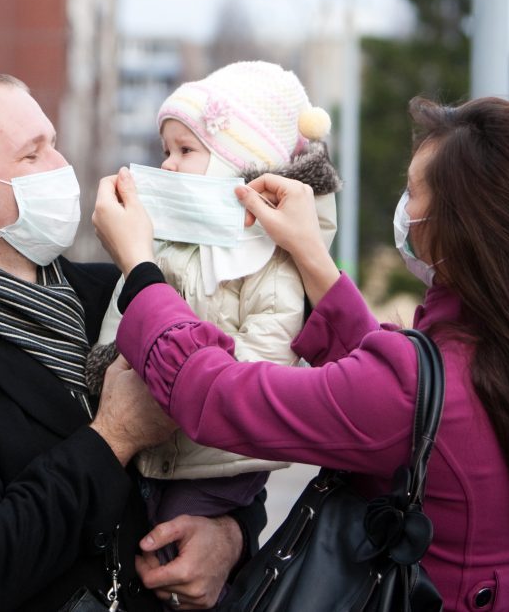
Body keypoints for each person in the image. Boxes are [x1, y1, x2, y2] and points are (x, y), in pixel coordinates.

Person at [92, 96, 509, 611]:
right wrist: (308, 252)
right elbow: (407, 403)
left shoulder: (416, 390)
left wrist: (141, 272)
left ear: (461, 228)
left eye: (414, 192)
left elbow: (216, 395)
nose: (405, 207)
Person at [0, 73, 266, 612]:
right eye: (32, 153)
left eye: (54, 142)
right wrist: (113, 436)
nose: (62, 166)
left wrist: (229, 536)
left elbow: (232, 449)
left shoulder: (120, 294)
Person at [86, 61, 340, 573]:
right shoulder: (163, 237)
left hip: (222, 458)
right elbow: (125, 305)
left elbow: (267, 355)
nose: (170, 165)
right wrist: (107, 366)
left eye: (187, 151)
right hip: (156, 445)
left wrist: (186, 377)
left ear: (236, 162)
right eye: (166, 151)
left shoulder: (271, 258)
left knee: (177, 558)